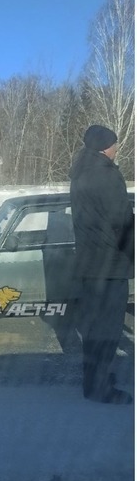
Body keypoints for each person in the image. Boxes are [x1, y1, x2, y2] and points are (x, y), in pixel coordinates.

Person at [69, 124, 134, 405]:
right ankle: (99, 388)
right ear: (104, 146)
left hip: (89, 264)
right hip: (109, 265)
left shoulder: (80, 172)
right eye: (114, 144)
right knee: (108, 328)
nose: (116, 148)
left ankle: (93, 381)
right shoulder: (106, 175)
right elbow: (122, 221)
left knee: (95, 328)